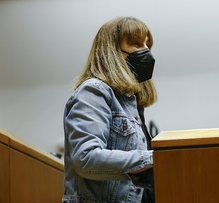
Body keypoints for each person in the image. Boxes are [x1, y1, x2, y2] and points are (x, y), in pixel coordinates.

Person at [62, 16, 157, 203]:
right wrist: (155, 159)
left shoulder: (131, 102)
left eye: (147, 45)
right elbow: (86, 158)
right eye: (136, 44)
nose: (145, 50)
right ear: (112, 52)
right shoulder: (94, 91)